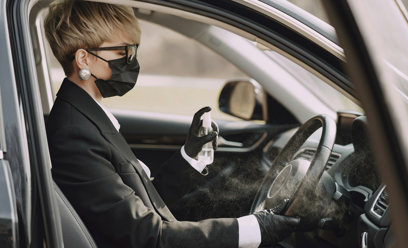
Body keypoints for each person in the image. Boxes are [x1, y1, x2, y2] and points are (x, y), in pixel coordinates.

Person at [44, 0, 300, 247]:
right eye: (123, 51)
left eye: (134, 50)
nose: (132, 61)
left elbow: (141, 204)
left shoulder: (86, 117)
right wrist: (255, 229)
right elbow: (148, 236)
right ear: (83, 59)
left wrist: (190, 156)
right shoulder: (73, 132)